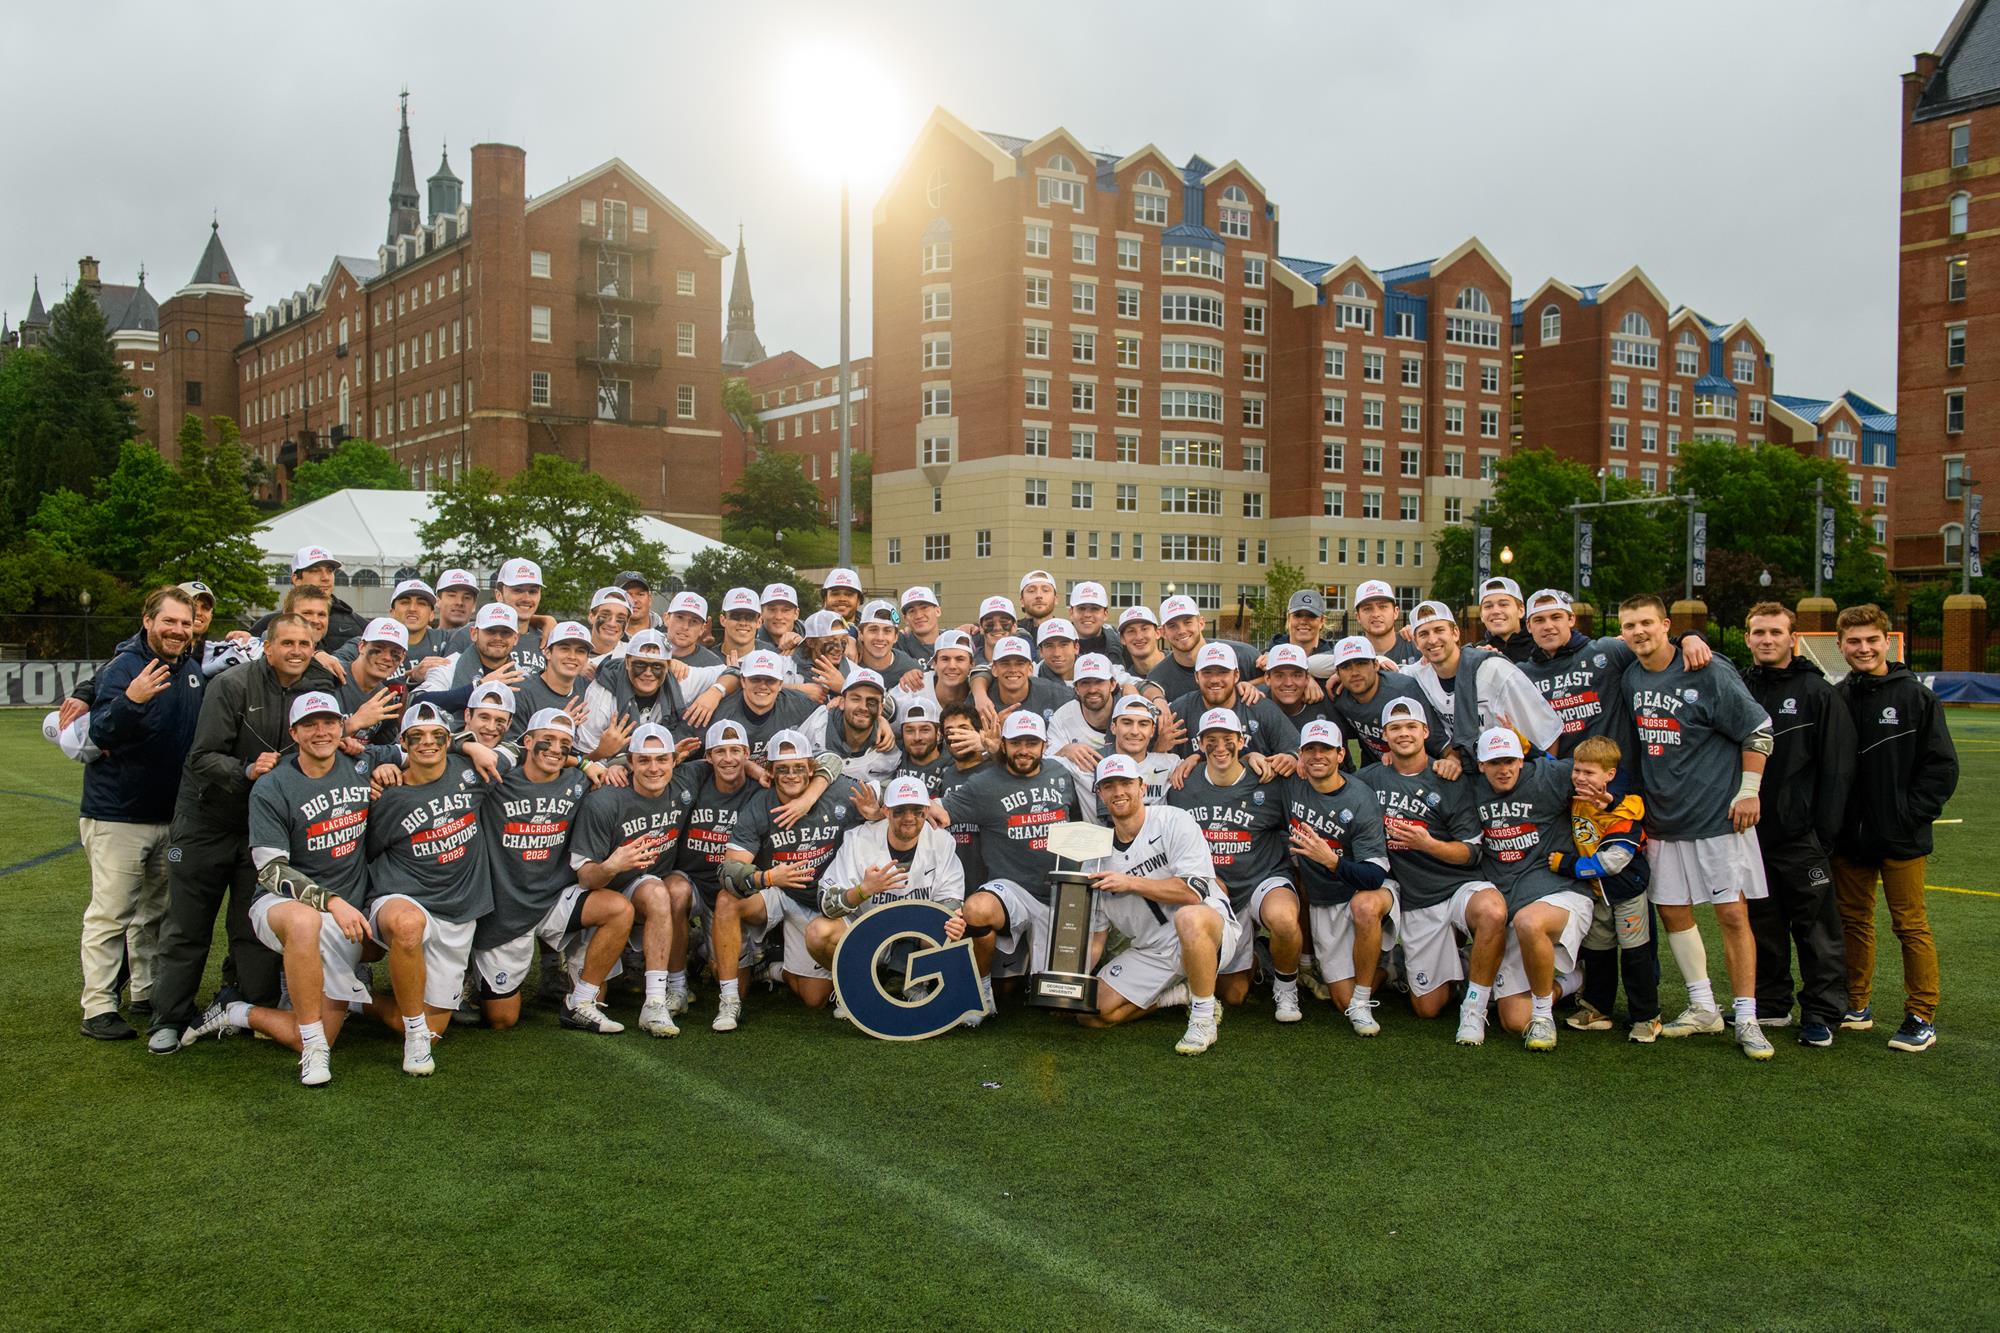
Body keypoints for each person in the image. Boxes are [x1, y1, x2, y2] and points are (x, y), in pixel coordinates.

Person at [147, 613, 339, 1053]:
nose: (296, 651)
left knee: (250, 927)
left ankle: (249, 1007)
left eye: (304, 644)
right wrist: (246, 769)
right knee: (188, 924)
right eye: (286, 642)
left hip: (263, 829)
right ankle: (169, 1017)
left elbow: (323, 743)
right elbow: (201, 758)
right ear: (267, 646)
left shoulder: (318, 688)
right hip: (207, 821)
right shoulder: (232, 684)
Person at [175, 692, 376, 1085]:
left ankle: (236, 1011)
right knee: (304, 923)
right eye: (311, 725)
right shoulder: (272, 786)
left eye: (330, 722)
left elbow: (423, 747)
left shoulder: (361, 765)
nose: (322, 732)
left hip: (345, 913)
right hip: (282, 904)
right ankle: (315, 1051)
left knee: (312, 1029)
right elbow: (270, 871)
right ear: (294, 733)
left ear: (342, 727)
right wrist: (332, 902)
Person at [1618, 593, 1776, 1060]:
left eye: (1646, 623)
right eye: (1629, 626)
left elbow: (1758, 728)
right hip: (1664, 821)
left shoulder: (1707, 669)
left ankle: (1746, 1016)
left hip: (1716, 818)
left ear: (1666, 624)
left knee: (1731, 914)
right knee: (1673, 913)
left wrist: (1749, 789)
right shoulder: (1630, 677)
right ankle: (1703, 1006)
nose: (1638, 632)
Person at [77, 587, 205, 1040]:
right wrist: (131, 699)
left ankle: (146, 991)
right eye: (169, 621)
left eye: (185, 623)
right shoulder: (124, 666)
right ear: (147, 620)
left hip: (171, 817)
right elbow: (101, 730)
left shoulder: (191, 671)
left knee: (155, 911)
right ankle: (97, 1007)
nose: (177, 630)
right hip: (118, 815)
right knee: (112, 912)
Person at [1830, 603, 1958, 1052]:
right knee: (1853, 921)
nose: (1863, 648)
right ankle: (1856, 1004)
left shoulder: (1916, 697)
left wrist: (1908, 815)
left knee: (1910, 924)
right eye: (1854, 641)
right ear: (1841, 646)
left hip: (1901, 836)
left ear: (1888, 641)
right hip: (1850, 838)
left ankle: (1920, 1014)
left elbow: (1941, 768)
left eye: (1871, 640)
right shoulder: (1838, 696)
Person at [467, 708, 634, 1036]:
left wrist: (605, 764)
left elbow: (623, 765)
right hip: (506, 909)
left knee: (618, 909)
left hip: (555, 898)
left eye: (565, 744)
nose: (556, 749)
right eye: (547, 741)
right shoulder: (495, 780)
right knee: (502, 1020)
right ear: (526, 741)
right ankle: (470, 975)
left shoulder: (578, 780)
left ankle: (581, 1004)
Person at [1741, 601, 1855, 1046]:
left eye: (1775, 632)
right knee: (1763, 922)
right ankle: (1771, 1003)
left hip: (1801, 836)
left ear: (1793, 638)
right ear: (1748, 638)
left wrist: (1821, 833)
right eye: (1758, 632)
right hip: (1750, 834)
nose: (1766, 639)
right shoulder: (1740, 687)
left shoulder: (1817, 692)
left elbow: (1837, 769)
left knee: (1816, 929)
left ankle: (1823, 1012)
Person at [363, 701, 495, 1075]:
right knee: (407, 926)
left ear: (448, 739)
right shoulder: (388, 794)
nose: (428, 743)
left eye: (438, 736)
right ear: (402, 743)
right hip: (404, 897)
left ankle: (348, 997)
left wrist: (586, 763)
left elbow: (531, 752)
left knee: (439, 1028)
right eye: (416, 736)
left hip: (458, 910)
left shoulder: (471, 771)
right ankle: (414, 1036)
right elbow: (367, 851)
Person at [932, 712, 1084, 1016]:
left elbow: (1080, 820)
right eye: (1016, 743)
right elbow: (939, 813)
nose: (1024, 750)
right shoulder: (983, 784)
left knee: (1059, 1007)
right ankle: (981, 991)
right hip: (1013, 891)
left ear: (1045, 745)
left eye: (1031, 743)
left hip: (1064, 894)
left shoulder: (1062, 772)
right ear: (1002, 744)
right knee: (977, 908)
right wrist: (884, 808)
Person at [718, 729, 875, 1024]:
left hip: (826, 900)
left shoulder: (837, 790)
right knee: (728, 900)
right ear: (770, 772)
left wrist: (875, 813)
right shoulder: (759, 805)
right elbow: (729, 870)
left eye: (799, 768)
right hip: (781, 892)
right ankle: (728, 1000)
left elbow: (883, 802)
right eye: (783, 769)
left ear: (812, 769)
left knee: (814, 998)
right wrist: (768, 878)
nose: (791, 775)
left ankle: (774, 964)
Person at [1082, 755, 1237, 1054]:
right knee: (1092, 1012)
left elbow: (1194, 892)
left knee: (1189, 917)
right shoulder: (1096, 855)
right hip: (1152, 950)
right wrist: (1067, 983)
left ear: (1141, 786)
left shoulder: (1173, 820)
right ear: (1099, 793)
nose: (1119, 792)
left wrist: (1130, 882)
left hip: (1208, 933)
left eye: (1126, 783)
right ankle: (1181, 994)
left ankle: (1203, 1020)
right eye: (1109, 786)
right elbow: (1097, 937)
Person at [1361, 698, 1493, 1027]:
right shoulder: (1367, 780)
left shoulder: (1448, 778)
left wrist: (1429, 845)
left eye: (1410, 727)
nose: (1403, 734)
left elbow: (1471, 852)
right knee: (1428, 1008)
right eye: (1395, 728)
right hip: (1418, 899)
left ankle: (1475, 1007)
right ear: (1385, 737)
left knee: (1492, 910)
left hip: (1457, 885)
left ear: (1425, 732)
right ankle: (1452, 963)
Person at [1169, 709, 1305, 1019]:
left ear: (1241, 741)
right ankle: (1258, 954)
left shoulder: (1269, 781)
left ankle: (1286, 988)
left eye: (1228, 740)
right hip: (1215, 889)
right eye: (1211, 740)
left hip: (1262, 878)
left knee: (1283, 919)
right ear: (1199, 744)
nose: (1220, 747)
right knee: (1234, 995)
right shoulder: (1182, 787)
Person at [569, 723, 698, 1037]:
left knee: (660, 891)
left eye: (661, 760)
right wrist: (613, 864)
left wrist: (752, 767)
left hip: (643, 886)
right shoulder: (604, 800)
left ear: (673, 760)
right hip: (600, 894)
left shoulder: (686, 781)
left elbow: (727, 765)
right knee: (592, 999)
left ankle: (655, 1002)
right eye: (644, 760)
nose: (653, 768)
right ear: (630, 762)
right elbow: (586, 876)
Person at [1277, 718, 1391, 1032]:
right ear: (1300, 755)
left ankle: (1364, 1000)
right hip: (1324, 899)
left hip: (1359, 888)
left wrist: (1332, 862)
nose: (1317, 756)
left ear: (1341, 754)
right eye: (1310, 749)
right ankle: (1389, 967)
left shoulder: (1359, 797)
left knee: (1365, 907)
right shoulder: (1291, 783)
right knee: (1340, 999)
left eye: (1325, 749)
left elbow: (1374, 876)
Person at [1546, 735, 1661, 1042]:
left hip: (1625, 890)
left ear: (1610, 775)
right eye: (1578, 771)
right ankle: (1596, 1008)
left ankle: (1646, 1016)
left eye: (1590, 773)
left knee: (1636, 954)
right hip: (1595, 893)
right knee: (1598, 951)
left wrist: (1565, 864)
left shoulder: (1628, 807)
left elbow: (1613, 862)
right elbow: (1547, 764)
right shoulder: (1575, 798)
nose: (1581, 778)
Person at [1518, 587, 1712, 758]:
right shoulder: (1522, 674)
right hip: (1564, 778)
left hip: (1619, 778)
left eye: (1556, 617)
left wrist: (1689, 638)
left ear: (1571, 619)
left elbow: (1655, 647)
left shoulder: (1607, 651)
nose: (1548, 626)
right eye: (1539, 620)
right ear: (1529, 626)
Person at [811, 775, 968, 975]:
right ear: (886, 811)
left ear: (927, 810)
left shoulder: (941, 841)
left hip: (918, 936)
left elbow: (951, 899)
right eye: (900, 810)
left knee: (949, 928)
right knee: (818, 933)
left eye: (917, 811)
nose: (909, 818)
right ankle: (858, 986)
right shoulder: (859, 840)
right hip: (867, 934)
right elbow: (826, 903)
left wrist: (951, 918)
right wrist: (862, 891)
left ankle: (916, 985)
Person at [1406, 600, 1561, 760]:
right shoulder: (1419, 675)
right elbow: (1387, 676)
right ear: (1416, 642)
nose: (1432, 640)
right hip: (1469, 771)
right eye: (1424, 634)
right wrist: (1381, 661)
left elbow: (1547, 733)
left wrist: (1545, 774)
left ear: (1455, 633)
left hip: (1511, 771)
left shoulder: (1496, 671)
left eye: (1439, 630)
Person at [1322, 636, 1455, 772]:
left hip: (1419, 772)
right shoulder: (1339, 697)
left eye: (1361, 663)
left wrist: (1451, 760)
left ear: (1375, 665)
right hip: (1375, 772)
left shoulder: (1402, 689)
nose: (1355, 672)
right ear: (1337, 673)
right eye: (1345, 667)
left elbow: (1440, 742)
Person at [1166, 642, 1299, 763]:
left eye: (1223, 672)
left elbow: (1296, 749)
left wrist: (1291, 757)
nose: (1215, 680)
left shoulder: (1259, 707)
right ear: (1196, 676)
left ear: (1236, 675)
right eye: (1207, 673)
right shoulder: (1180, 710)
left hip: (1255, 788)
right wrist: (1160, 747)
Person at [1141, 596, 1260, 703]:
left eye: (1188, 622)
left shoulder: (1243, 655)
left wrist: (1250, 685)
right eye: (1172, 626)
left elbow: (1272, 679)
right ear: (1163, 633)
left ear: (1201, 623)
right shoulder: (1158, 677)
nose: (1181, 630)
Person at [251, 545, 366, 650]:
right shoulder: (268, 624)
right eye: (315, 571)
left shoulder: (358, 623)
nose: (325, 577)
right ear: (296, 579)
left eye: (330, 571)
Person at [803, 667, 902, 785]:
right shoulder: (815, 725)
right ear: (842, 703)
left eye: (871, 702)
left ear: (880, 709)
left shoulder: (889, 755)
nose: (863, 707)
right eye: (855, 699)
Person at [1352, 580, 1420, 667]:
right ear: (1358, 617)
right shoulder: (1350, 653)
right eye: (1367, 608)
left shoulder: (1416, 646)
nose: (1376, 614)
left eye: (1383, 607)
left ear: (1395, 612)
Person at [1474, 576, 1535, 663]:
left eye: (1503, 604)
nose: (1495, 611)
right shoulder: (1476, 654)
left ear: (1521, 610)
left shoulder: (1541, 649)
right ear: (1481, 615)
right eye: (1488, 606)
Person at [1067, 582, 1124, 668]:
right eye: (1081, 608)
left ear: (1105, 614)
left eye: (1094, 609)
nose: (1087, 614)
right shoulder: (1053, 645)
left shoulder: (1123, 645)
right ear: (1071, 613)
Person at [1272, 589, 1337, 655]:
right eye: (1298, 615)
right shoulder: (1266, 661)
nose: (1303, 621)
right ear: (1288, 618)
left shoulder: (1336, 663)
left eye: (1311, 615)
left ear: (1322, 621)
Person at [665, 592, 722, 666]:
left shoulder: (713, 666)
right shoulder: (647, 650)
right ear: (666, 619)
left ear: (702, 628)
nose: (685, 627)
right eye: (680, 617)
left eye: (694, 621)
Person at [1118, 605, 1167, 680]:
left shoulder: (1182, 663)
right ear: (1122, 639)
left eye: (1144, 629)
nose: (1139, 637)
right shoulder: (1126, 681)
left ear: (1157, 633)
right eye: (1131, 631)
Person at [757, 582, 803, 653]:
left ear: (796, 614)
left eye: (785, 610)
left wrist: (803, 646)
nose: (778, 617)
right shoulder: (748, 641)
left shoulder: (812, 636)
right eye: (772, 610)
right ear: (761, 612)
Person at [1016, 569, 1060, 640]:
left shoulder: (1068, 633)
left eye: (1045, 590)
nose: (1039, 595)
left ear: (1056, 599)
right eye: (1031, 591)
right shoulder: (1010, 633)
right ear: (1022, 601)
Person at [436, 568, 480, 636]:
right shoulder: (422, 643)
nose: (459, 602)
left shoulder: (482, 645)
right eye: (452, 595)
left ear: (474, 605)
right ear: (438, 600)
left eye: (467, 597)